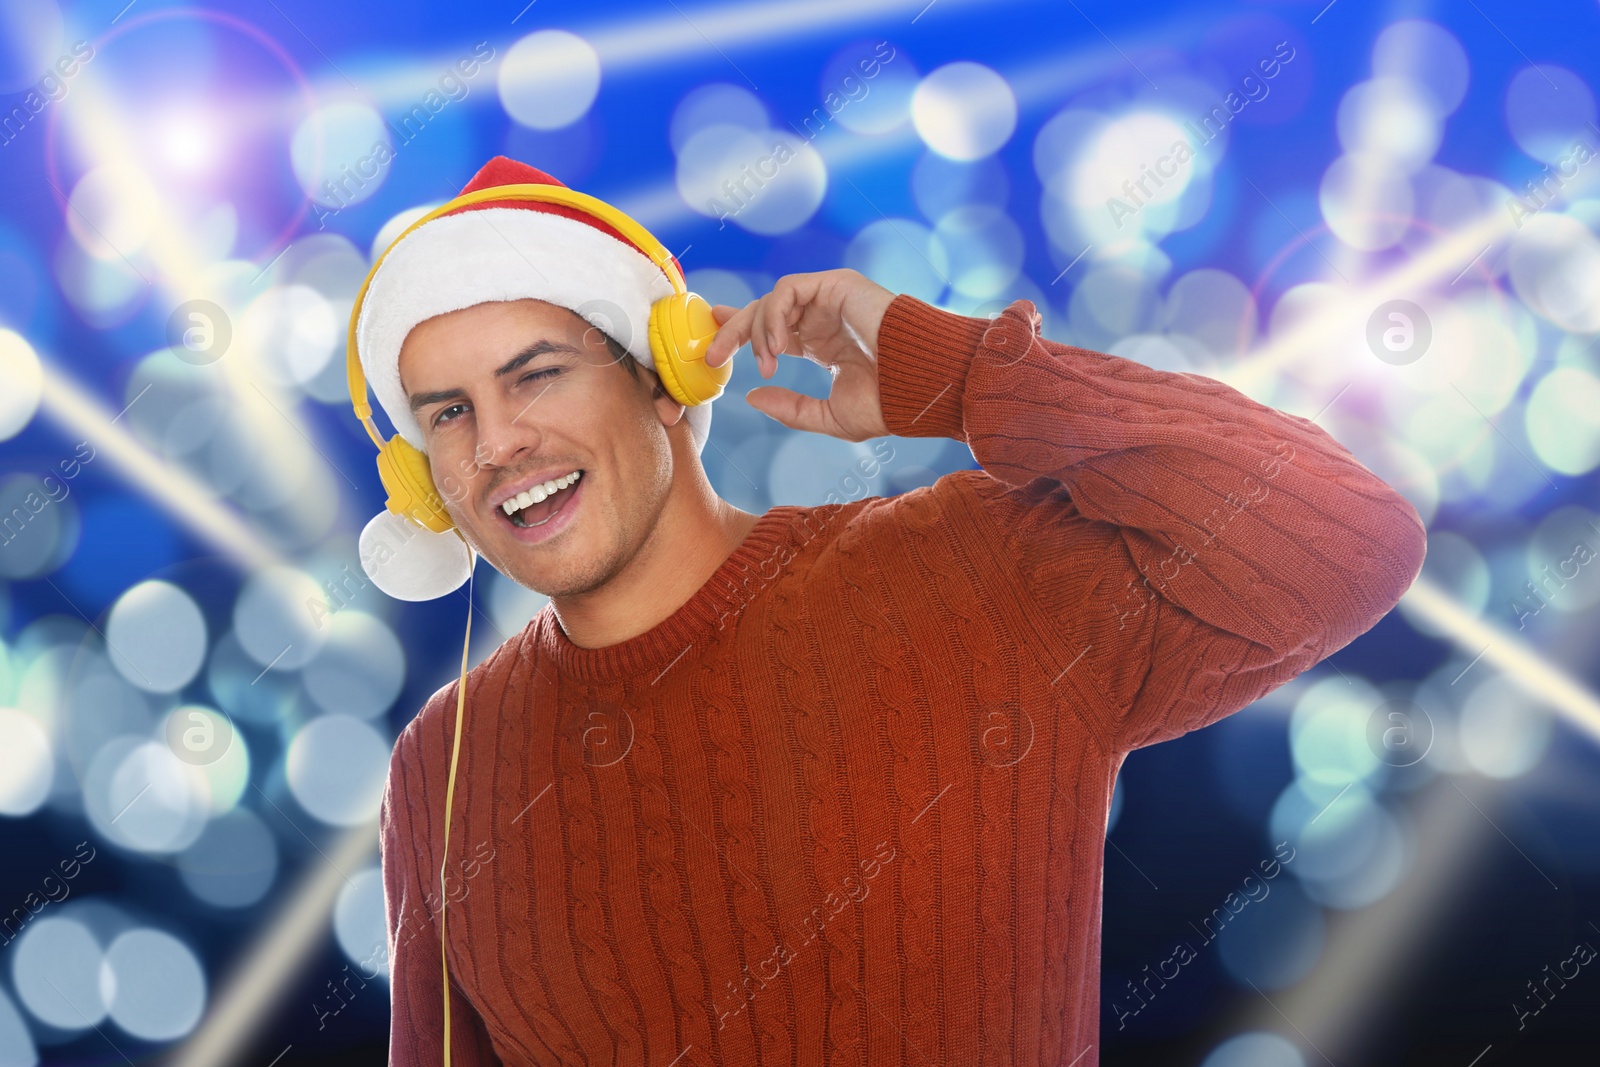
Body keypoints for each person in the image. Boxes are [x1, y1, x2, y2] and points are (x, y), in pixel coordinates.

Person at [368, 156, 1426, 1066]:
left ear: (668, 381)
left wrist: (962, 375)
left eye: (537, 374)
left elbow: (1346, 534)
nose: (496, 443)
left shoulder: (968, 579)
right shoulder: (443, 763)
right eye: (449, 414)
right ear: (423, 477)